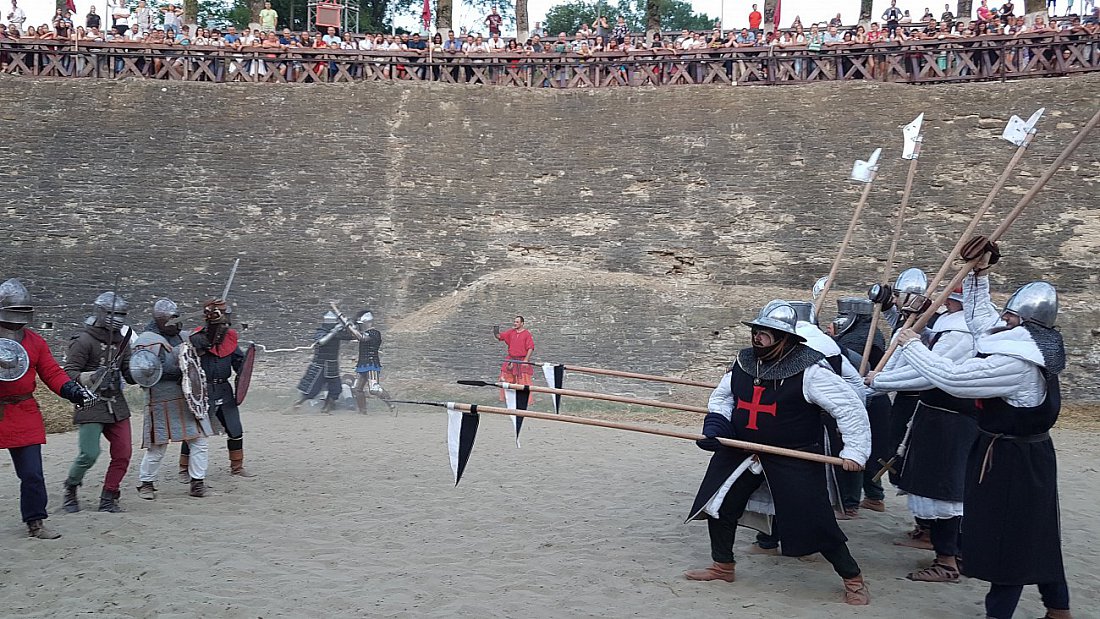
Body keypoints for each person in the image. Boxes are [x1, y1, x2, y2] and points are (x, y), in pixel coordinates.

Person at [887, 241, 1072, 619]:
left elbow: (954, 379)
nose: (1001, 320)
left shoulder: (1017, 364)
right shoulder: (1030, 344)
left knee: (1008, 538)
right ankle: (1058, 609)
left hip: (1014, 461)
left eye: (1008, 316)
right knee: (1036, 533)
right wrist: (978, 274)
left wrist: (912, 345)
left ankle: (1000, 613)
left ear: (1022, 323)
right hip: (1016, 454)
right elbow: (981, 319)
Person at [684, 302, 871, 605]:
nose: (757, 338)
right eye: (756, 331)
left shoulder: (810, 370)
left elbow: (849, 408)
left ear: (785, 338)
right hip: (742, 449)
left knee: (815, 520)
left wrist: (856, 451)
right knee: (720, 504)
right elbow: (722, 398)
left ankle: (853, 578)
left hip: (793, 455)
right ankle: (722, 566)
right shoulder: (744, 362)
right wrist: (717, 427)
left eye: (766, 333)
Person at [867, 286, 986, 582]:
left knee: (945, 491)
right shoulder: (949, 327)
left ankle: (947, 561)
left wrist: (880, 381)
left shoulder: (962, 334)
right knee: (941, 489)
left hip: (951, 423)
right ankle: (955, 554)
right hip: (938, 418)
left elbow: (928, 373)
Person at [1, 279, 91, 538]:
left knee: (32, 473)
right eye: (14, 311)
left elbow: (52, 372)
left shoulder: (35, 342)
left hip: (23, 411)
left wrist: (71, 390)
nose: (18, 318)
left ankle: (35, 521)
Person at [62, 292, 135, 514]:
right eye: (113, 313)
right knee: (89, 454)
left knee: (123, 453)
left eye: (121, 314)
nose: (118, 318)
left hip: (116, 404)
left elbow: (128, 372)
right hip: (90, 403)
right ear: (101, 313)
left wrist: (142, 370)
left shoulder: (123, 341)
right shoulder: (83, 340)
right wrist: (91, 376)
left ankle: (109, 496)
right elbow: (69, 372)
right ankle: (71, 487)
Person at [134, 299, 211, 499]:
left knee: (199, 441)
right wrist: (180, 367)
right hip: (161, 400)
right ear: (161, 321)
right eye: (172, 319)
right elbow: (149, 372)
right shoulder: (146, 341)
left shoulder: (183, 336)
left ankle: (197, 483)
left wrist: (213, 323)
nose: (176, 323)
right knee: (158, 446)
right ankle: (146, 483)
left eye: (177, 318)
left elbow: (204, 345)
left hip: (187, 400)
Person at [181, 300, 252, 477]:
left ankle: (237, 466)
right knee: (195, 432)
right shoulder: (196, 338)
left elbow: (239, 364)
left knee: (235, 428)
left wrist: (244, 365)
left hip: (224, 390)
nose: (224, 326)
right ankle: (184, 467)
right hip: (202, 392)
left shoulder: (230, 340)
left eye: (225, 322)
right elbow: (194, 355)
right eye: (221, 322)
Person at [295, 311, 354, 413]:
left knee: (336, 389)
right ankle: (297, 405)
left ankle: (327, 408)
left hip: (332, 365)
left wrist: (350, 325)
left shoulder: (338, 333)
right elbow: (321, 341)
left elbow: (352, 336)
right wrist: (334, 331)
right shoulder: (321, 331)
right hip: (320, 365)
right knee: (312, 390)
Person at [349, 310, 396, 414]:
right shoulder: (363, 333)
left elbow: (362, 338)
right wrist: (349, 325)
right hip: (362, 365)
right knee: (356, 389)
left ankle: (391, 405)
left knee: (374, 389)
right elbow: (354, 336)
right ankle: (363, 411)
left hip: (372, 365)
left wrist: (350, 326)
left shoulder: (375, 333)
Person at [494, 316, 534, 401]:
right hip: (511, 359)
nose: (515, 323)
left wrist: (526, 360)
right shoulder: (511, 332)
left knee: (524, 381)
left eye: (517, 322)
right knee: (505, 378)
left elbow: (530, 347)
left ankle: (526, 400)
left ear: (522, 323)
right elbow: (499, 336)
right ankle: (506, 398)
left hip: (522, 360)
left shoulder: (526, 334)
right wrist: (495, 329)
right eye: (514, 322)